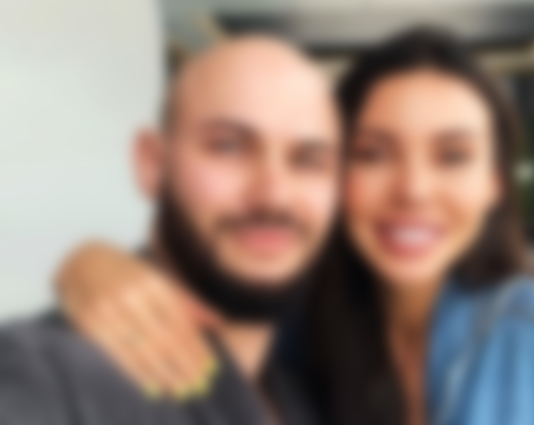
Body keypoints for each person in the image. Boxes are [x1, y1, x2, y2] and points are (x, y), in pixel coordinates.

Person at [55, 29, 534, 425]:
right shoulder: (299, 328)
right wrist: (91, 265)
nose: (413, 189)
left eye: (452, 156)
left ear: (495, 185)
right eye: (373, 153)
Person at [0, 35, 340, 425]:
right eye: (228, 146)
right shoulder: (46, 376)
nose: (274, 195)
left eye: (310, 160)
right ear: (152, 164)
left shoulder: (308, 392)